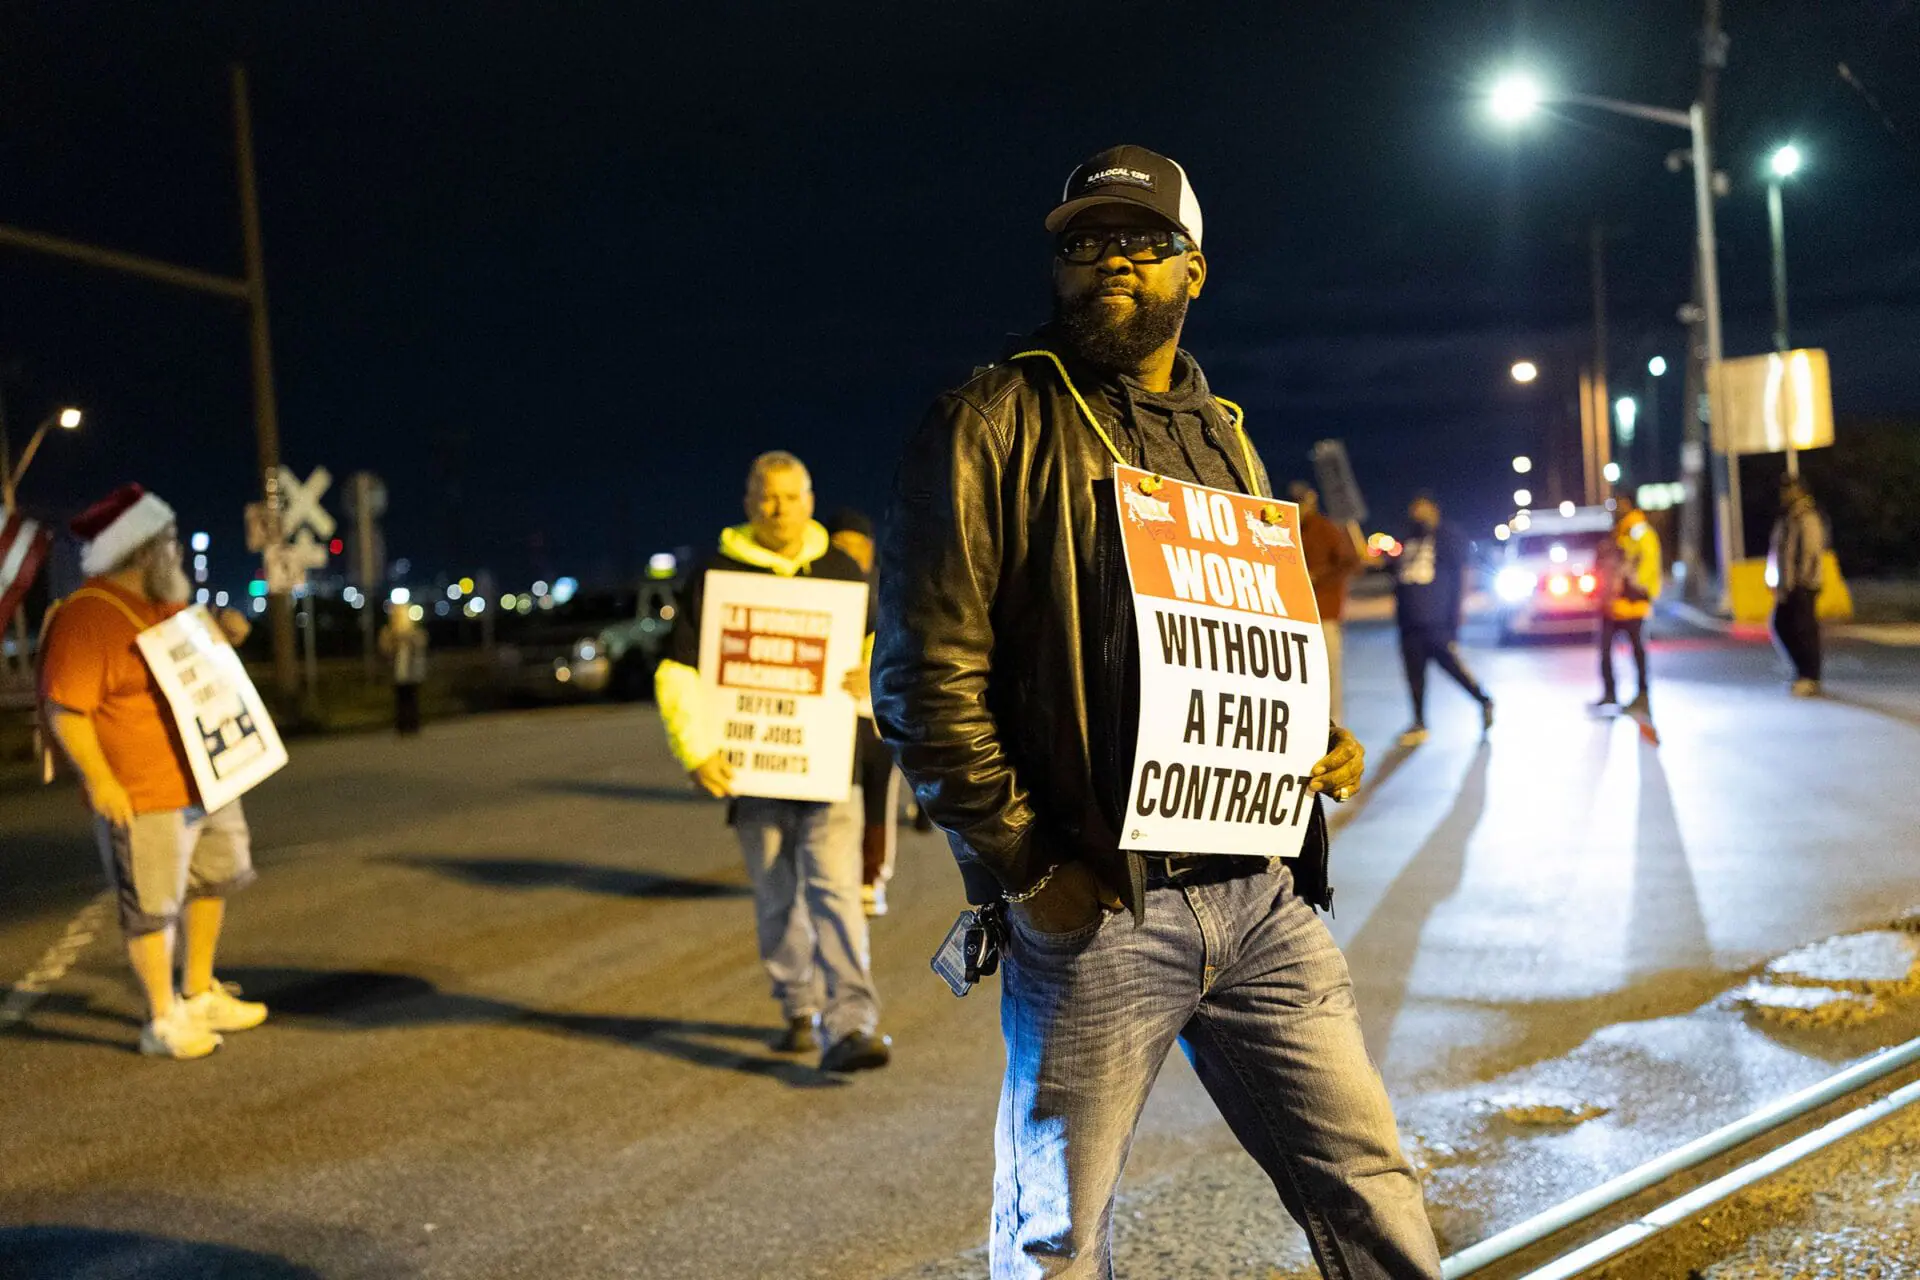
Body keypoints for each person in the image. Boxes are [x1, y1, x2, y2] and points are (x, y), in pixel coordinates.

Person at [874, 145, 1441, 1279]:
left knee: (1373, 1187)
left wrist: (1303, 737)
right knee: (1054, 1241)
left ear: (1196, 271)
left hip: (1264, 898)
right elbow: (924, 683)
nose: (1108, 263)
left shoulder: (1225, 435)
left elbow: (1238, 638)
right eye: (1083, 244)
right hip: (1097, 909)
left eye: (1140, 242)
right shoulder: (990, 421)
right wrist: (1032, 869)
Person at [653, 453, 890, 1073]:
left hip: (830, 769)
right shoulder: (714, 575)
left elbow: (878, 646)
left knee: (838, 896)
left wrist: (872, 672)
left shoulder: (842, 571)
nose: (778, 507)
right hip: (752, 774)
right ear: (748, 501)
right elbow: (678, 671)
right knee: (778, 898)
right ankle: (797, 1008)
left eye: (790, 495)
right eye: (766, 496)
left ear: (810, 500)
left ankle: (852, 1025)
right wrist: (696, 750)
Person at [37, 484, 269, 1059]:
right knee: (153, 905)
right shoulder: (88, 616)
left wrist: (227, 633)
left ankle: (197, 991)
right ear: (142, 552)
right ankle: (161, 1020)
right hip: (144, 792)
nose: (179, 552)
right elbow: (66, 709)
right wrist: (101, 780)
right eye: (170, 542)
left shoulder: (162, 607)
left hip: (205, 779)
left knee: (215, 878)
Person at [826, 506, 901, 918]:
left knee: (878, 797)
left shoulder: (889, 588)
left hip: (876, 715)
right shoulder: (818, 586)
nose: (849, 557)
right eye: (840, 548)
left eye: (856, 549)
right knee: (841, 798)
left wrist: (872, 675)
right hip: (834, 716)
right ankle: (840, 875)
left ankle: (871, 878)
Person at [1393, 493, 1492, 747]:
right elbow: (1393, 570)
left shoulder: (1448, 535)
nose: (1418, 515)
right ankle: (1418, 721)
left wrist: (1458, 614)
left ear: (1434, 510)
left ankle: (1483, 700)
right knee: (1414, 675)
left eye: (1423, 509)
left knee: (1452, 667)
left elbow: (1462, 574)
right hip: (1408, 621)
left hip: (1437, 620)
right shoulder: (1407, 537)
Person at [1289, 481, 1362, 722]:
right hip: (1297, 617)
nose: (1300, 507)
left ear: (1312, 501)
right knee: (1300, 676)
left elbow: (1350, 562)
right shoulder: (1286, 529)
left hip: (1325, 615)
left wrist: (1318, 577)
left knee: (1329, 674)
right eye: (1296, 501)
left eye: (1303, 501)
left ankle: (1334, 726)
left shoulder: (1325, 528)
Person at [1593, 501, 1662, 715]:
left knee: (1637, 651)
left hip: (1632, 603)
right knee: (1606, 651)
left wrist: (1637, 584)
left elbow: (1648, 558)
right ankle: (1610, 694)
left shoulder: (1637, 529)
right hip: (1614, 605)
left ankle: (1642, 695)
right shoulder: (1622, 531)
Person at [1769, 476, 1827, 696]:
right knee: (1781, 624)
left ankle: (1810, 676)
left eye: (1789, 489)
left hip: (1803, 585)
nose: (1784, 494)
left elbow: (1811, 551)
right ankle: (1801, 670)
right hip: (1789, 585)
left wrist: (1802, 582)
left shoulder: (1806, 516)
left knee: (1804, 631)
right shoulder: (1787, 517)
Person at [377, 602, 428, 734]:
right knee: (401, 699)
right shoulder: (389, 632)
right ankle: (402, 724)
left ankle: (412, 724)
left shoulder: (415, 632)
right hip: (398, 671)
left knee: (411, 698)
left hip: (412, 672)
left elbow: (421, 645)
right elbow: (385, 649)